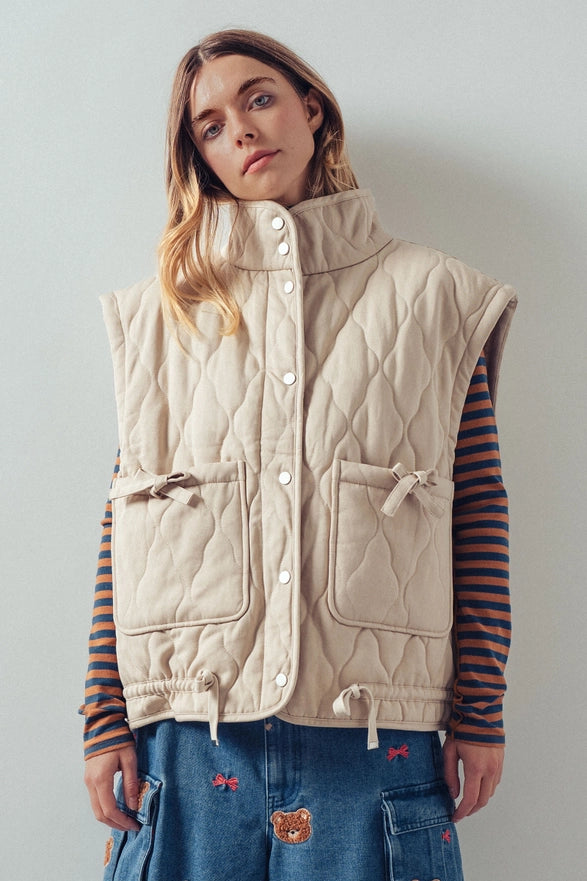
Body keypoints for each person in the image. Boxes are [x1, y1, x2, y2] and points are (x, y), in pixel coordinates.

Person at [81, 28, 517, 881]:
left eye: (257, 98)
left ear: (311, 109)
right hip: (189, 737)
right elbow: (123, 529)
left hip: (373, 736)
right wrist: (103, 715)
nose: (240, 131)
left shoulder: (437, 297)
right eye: (208, 126)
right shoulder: (162, 314)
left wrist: (480, 708)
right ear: (198, 158)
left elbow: (476, 507)